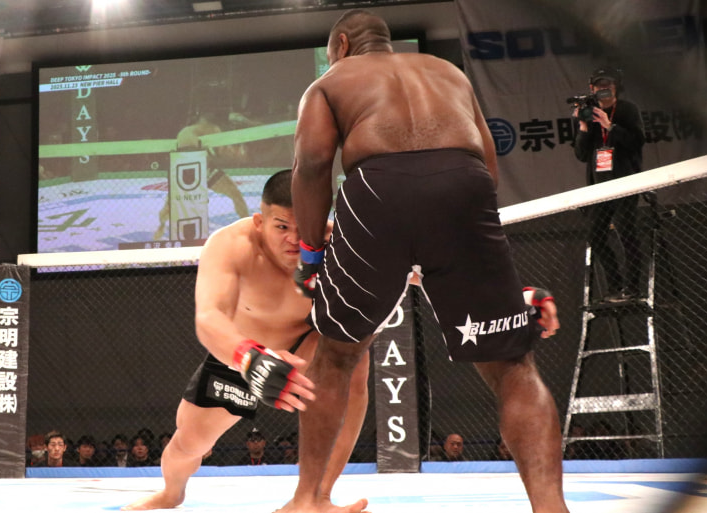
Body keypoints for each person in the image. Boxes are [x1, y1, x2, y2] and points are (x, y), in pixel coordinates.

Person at [286, 9, 565, 513]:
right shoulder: (449, 73)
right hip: (465, 187)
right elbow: (488, 165)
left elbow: (312, 165)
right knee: (513, 365)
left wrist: (310, 255)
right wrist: (460, 240)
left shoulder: (330, 82)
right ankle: (551, 508)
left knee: (336, 356)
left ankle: (308, 500)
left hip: (378, 190)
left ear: (342, 44)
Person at [121, 169, 369, 511]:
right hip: (241, 353)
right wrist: (250, 357)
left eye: (303, 228)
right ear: (259, 222)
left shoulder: (341, 247)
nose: (294, 239)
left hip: (306, 347)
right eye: (281, 227)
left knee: (353, 361)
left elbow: (404, 271)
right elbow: (209, 317)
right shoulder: (231, 245)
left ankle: (316, 497)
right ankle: (171, 493)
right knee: (189, 443)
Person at [573, 66, 645, 302]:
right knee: (595, 236)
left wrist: (609, 125)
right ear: (591, 88)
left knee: (627, 234)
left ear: (616, 87)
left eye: (607, 85)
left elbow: (636, 142)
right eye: (598, 86)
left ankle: (632, 288)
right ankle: (615, 287)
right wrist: (584, 127)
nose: (603, 89)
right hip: (599, 187)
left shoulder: (627, 109)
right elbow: (581, 154)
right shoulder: (588, 113)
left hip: (624, 182)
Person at [154, 111, 250, 240]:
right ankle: (248, 228)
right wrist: (237, 152)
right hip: (195, 165)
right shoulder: (213, 129)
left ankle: (159, 230)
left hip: (180, 168)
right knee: (235, 194)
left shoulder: (188, 130)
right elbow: (222, 152)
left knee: (170, 203)